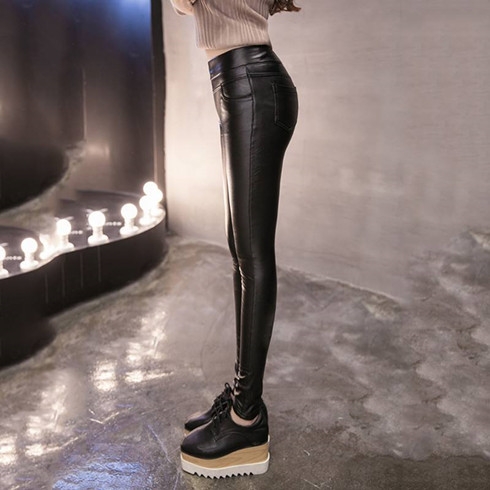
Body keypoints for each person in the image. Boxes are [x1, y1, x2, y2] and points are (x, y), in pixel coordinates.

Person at [169, 0, 301, 478]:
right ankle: (243, 401)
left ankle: (246, 420)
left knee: (252, 253)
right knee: (242, 250)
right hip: (241, 83)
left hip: (249, 85)